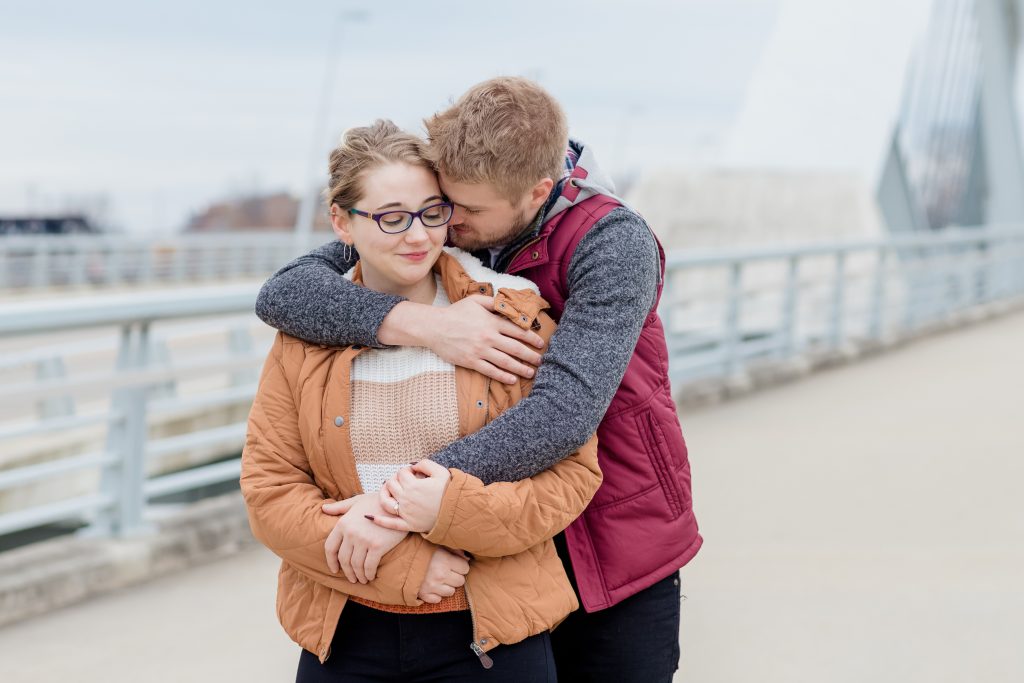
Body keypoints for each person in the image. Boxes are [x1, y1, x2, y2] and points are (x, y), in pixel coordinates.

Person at [256, 77, 700, 683]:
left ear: (537, 192)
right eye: (440, 202)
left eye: (461, 211)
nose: (443, 228)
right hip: (485, 538)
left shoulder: (612, 242)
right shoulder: (440, 220)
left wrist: (392, 502)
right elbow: (288, 292)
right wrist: (424, 325)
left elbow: (563, 413)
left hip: (608, 531)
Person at [240, 119, 602, 681]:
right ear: (341, 222)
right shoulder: (302, 338)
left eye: (433, 213)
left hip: (493, 636)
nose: (418, 236)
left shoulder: (511, 317)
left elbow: (570, 479)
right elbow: (270, 493)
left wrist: (446, 511)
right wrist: (403, 565)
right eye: (391, 217)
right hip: (345, 633)